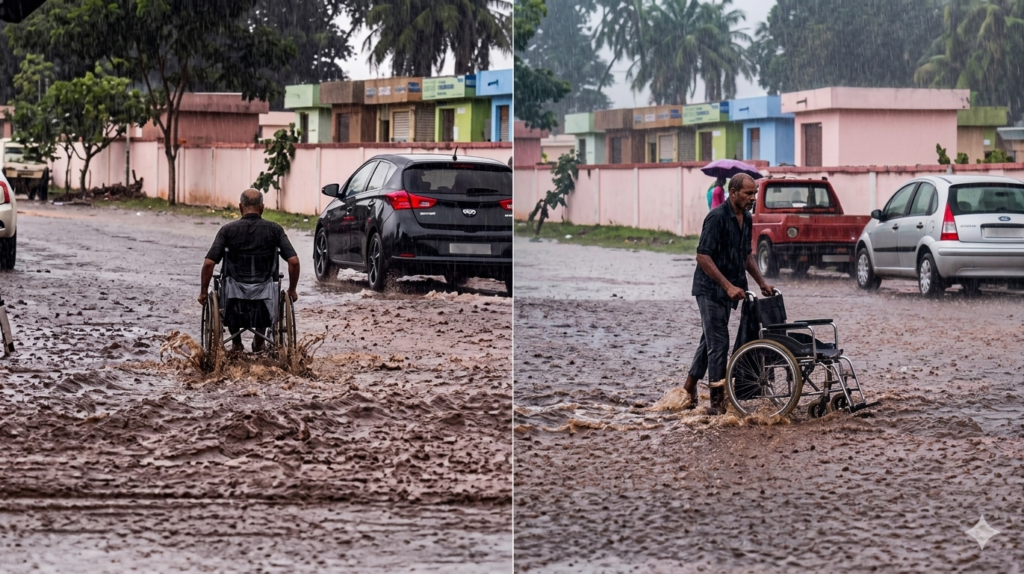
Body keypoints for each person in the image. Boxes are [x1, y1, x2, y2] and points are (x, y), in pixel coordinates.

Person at [683, 174, 773, 414]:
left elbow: (746, 256)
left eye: (754, 193)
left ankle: (688, 388)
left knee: (710, 340)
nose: (753, 198)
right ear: (733, 193)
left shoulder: (747, 218)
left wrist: (762, 283)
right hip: (710, 289)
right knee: (719, 342)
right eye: (748, 193)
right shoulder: (716, 218)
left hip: (729, 290)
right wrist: (727, 286)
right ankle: (716, 403)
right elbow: (702, 256)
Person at [199, 189, 299, 353]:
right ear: (262, 208)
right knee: (265, 293)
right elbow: (294, 262)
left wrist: (203, 292)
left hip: (233, 301)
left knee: (227, 288)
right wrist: (292, 290)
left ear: (240, 207)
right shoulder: (275, 230)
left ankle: (236, 343)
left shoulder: (227, 231)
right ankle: (259, 341)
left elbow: (209, 263)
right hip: (266, 297)